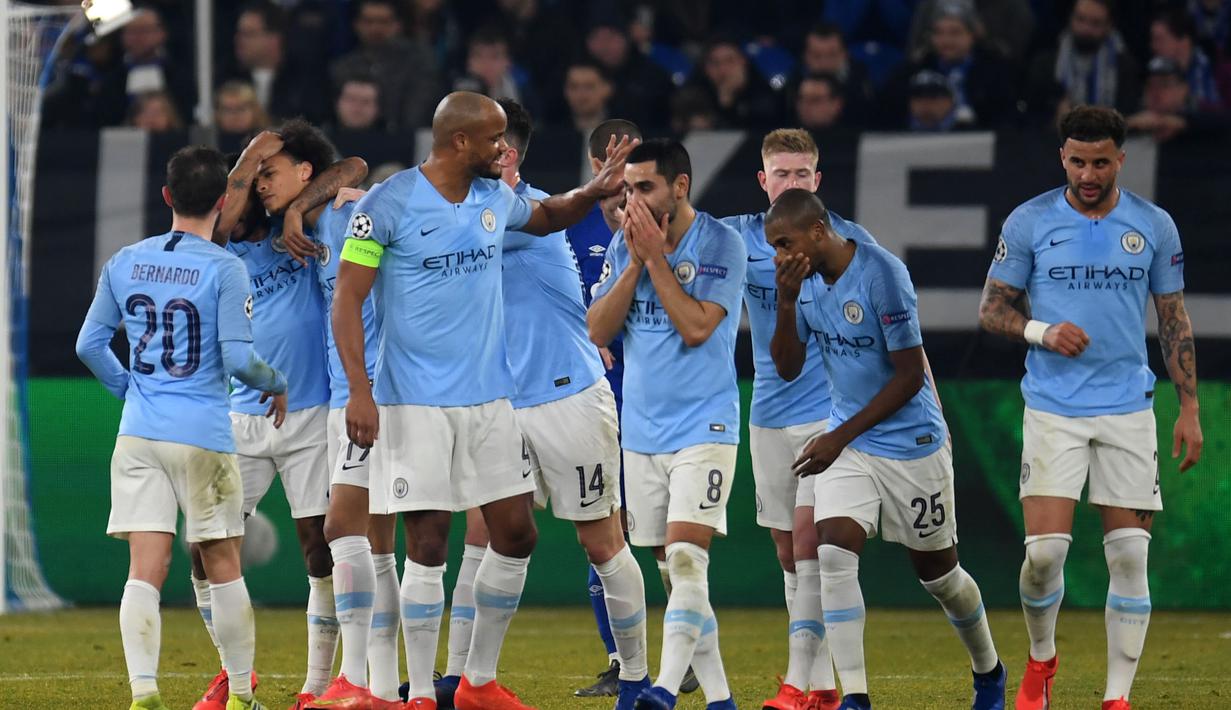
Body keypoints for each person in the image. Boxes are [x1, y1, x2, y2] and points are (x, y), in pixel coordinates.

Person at [332, 91, 636, 710]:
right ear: (460, 142)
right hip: (413, 403)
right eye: (495, 139)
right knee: (428, 542)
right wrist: (360, 392)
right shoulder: (387, 206)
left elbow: (549, 215)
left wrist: (593, 189)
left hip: (491, 402)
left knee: (516, 533)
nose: (505, 149)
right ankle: (419, 692)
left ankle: (476, 683)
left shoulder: (492, 198)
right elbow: (347, 299)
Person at [978, 105, 1203, 710]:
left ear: (1120, 160)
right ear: (1063, 158)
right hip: (1053, 408)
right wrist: (1041, 332)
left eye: (1100, 162)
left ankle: (1116, 698)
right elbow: (992, 309)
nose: (1088, 172)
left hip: (1128, 409)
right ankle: (1042, 659)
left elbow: (1174, 319)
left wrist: (1189, 407)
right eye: (1078, 161)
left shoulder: (1153, 226)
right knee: (1044, 557)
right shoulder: (1030, 222)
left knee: (1130, 556)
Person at [767, 188, 1006, 710]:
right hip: (849, 443)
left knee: (940, 576)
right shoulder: (801, 286)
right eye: (773, 247)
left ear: (818, 231)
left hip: (911, 443)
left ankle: (989, 669)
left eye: (785, 244)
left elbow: (908, 377)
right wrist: (785, 304)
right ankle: (856, 696)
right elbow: (786, 367)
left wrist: (837, 437)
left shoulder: (882, 273)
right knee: (832, 547)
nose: (779, 257)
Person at [76, 146, 285, 710]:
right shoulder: (225, 267)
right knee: (222, 563)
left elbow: (89, 345)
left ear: (167, 196)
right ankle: (241, 695)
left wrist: (131, 390)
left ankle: (145, 692)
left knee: (144, 569)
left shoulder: (125, 261)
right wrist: (278, 380)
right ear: (222, 202)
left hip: (139, 434)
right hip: (202, 437)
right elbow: (241, 362)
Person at [493, 97, 651, 709]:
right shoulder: (476, 208)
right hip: (503, 403)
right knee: (491, 536)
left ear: (505, 151)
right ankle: (468, 678)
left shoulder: (527, 211)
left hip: (571, 397)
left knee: (605, 541)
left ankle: (637, 676)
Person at [722, 128, 882, 710]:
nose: (791, 183)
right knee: (790, 556)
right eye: (780, 174)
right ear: (763, 182)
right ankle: (821, 688)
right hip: (768, 412)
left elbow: (893, 328)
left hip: (827, 413)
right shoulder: (737, 240)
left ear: (818, 180)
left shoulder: (848, 242)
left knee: (813, 546)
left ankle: (795, 683)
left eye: (801, 174)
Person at [587, 138, 746, 710]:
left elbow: (698, 327)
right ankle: (721, 698)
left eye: (644, 186)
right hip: (643, 432)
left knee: (686, 559)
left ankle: (659, 691)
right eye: (627, 187)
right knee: (676, 576)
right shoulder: (620, 244)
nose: (631, 198)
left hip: (705, 426)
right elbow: (598, 329)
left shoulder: (722, 243)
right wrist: (634, 260)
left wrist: (656, 258)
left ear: (680, 186)